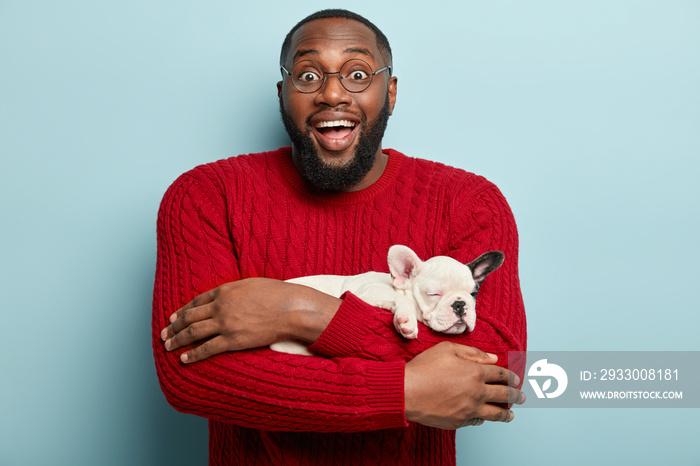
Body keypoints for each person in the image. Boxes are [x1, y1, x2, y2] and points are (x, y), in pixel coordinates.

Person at [153, 8, 527, 466]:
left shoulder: (468, 202)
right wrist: (405, 391)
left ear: (390, 92)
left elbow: (498, 371)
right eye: (308, 74)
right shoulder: (206, 196)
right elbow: (191, 375)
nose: (332, 93)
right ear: (283, 93)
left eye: (357, 73)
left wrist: (302, 313)